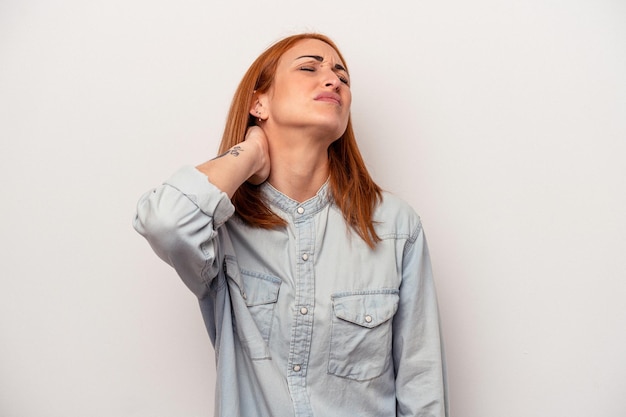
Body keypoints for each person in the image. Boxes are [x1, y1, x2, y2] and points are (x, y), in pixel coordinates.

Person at [134, 32, 448, 417]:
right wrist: (249, 153)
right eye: (309, 68)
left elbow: (422, 389)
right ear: (259, 103)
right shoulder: (222, 228)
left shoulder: (395, 227)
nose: (333, 79)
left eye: (342, 76)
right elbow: (165, 221)